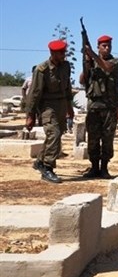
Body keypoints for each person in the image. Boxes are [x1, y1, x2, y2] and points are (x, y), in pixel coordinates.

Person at [24, 40, 74, 183]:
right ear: (52, 53)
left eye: (64, 52)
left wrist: (69, 107)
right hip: (47, 106)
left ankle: (40, 161)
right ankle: (47, 168)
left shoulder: (66, 66)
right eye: (61, 52)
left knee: (57, 135)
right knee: (54, 133)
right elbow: (34, 93)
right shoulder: (42, 70)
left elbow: (67, 88)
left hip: (61, 104)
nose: (64, 55)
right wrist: (30, 115)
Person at [80, 35, 118, 179]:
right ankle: (94, 167)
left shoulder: (116, 62)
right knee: (93, 137)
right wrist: (87, 62)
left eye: (109, 46)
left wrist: (91, 54)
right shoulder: (92, 62)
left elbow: (107, 68)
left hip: (109, 106)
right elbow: (82, 80)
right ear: (98, 46)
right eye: (104, 46)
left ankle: (104, 168)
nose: (107, 48)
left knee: (107, 138)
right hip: (94, 105)